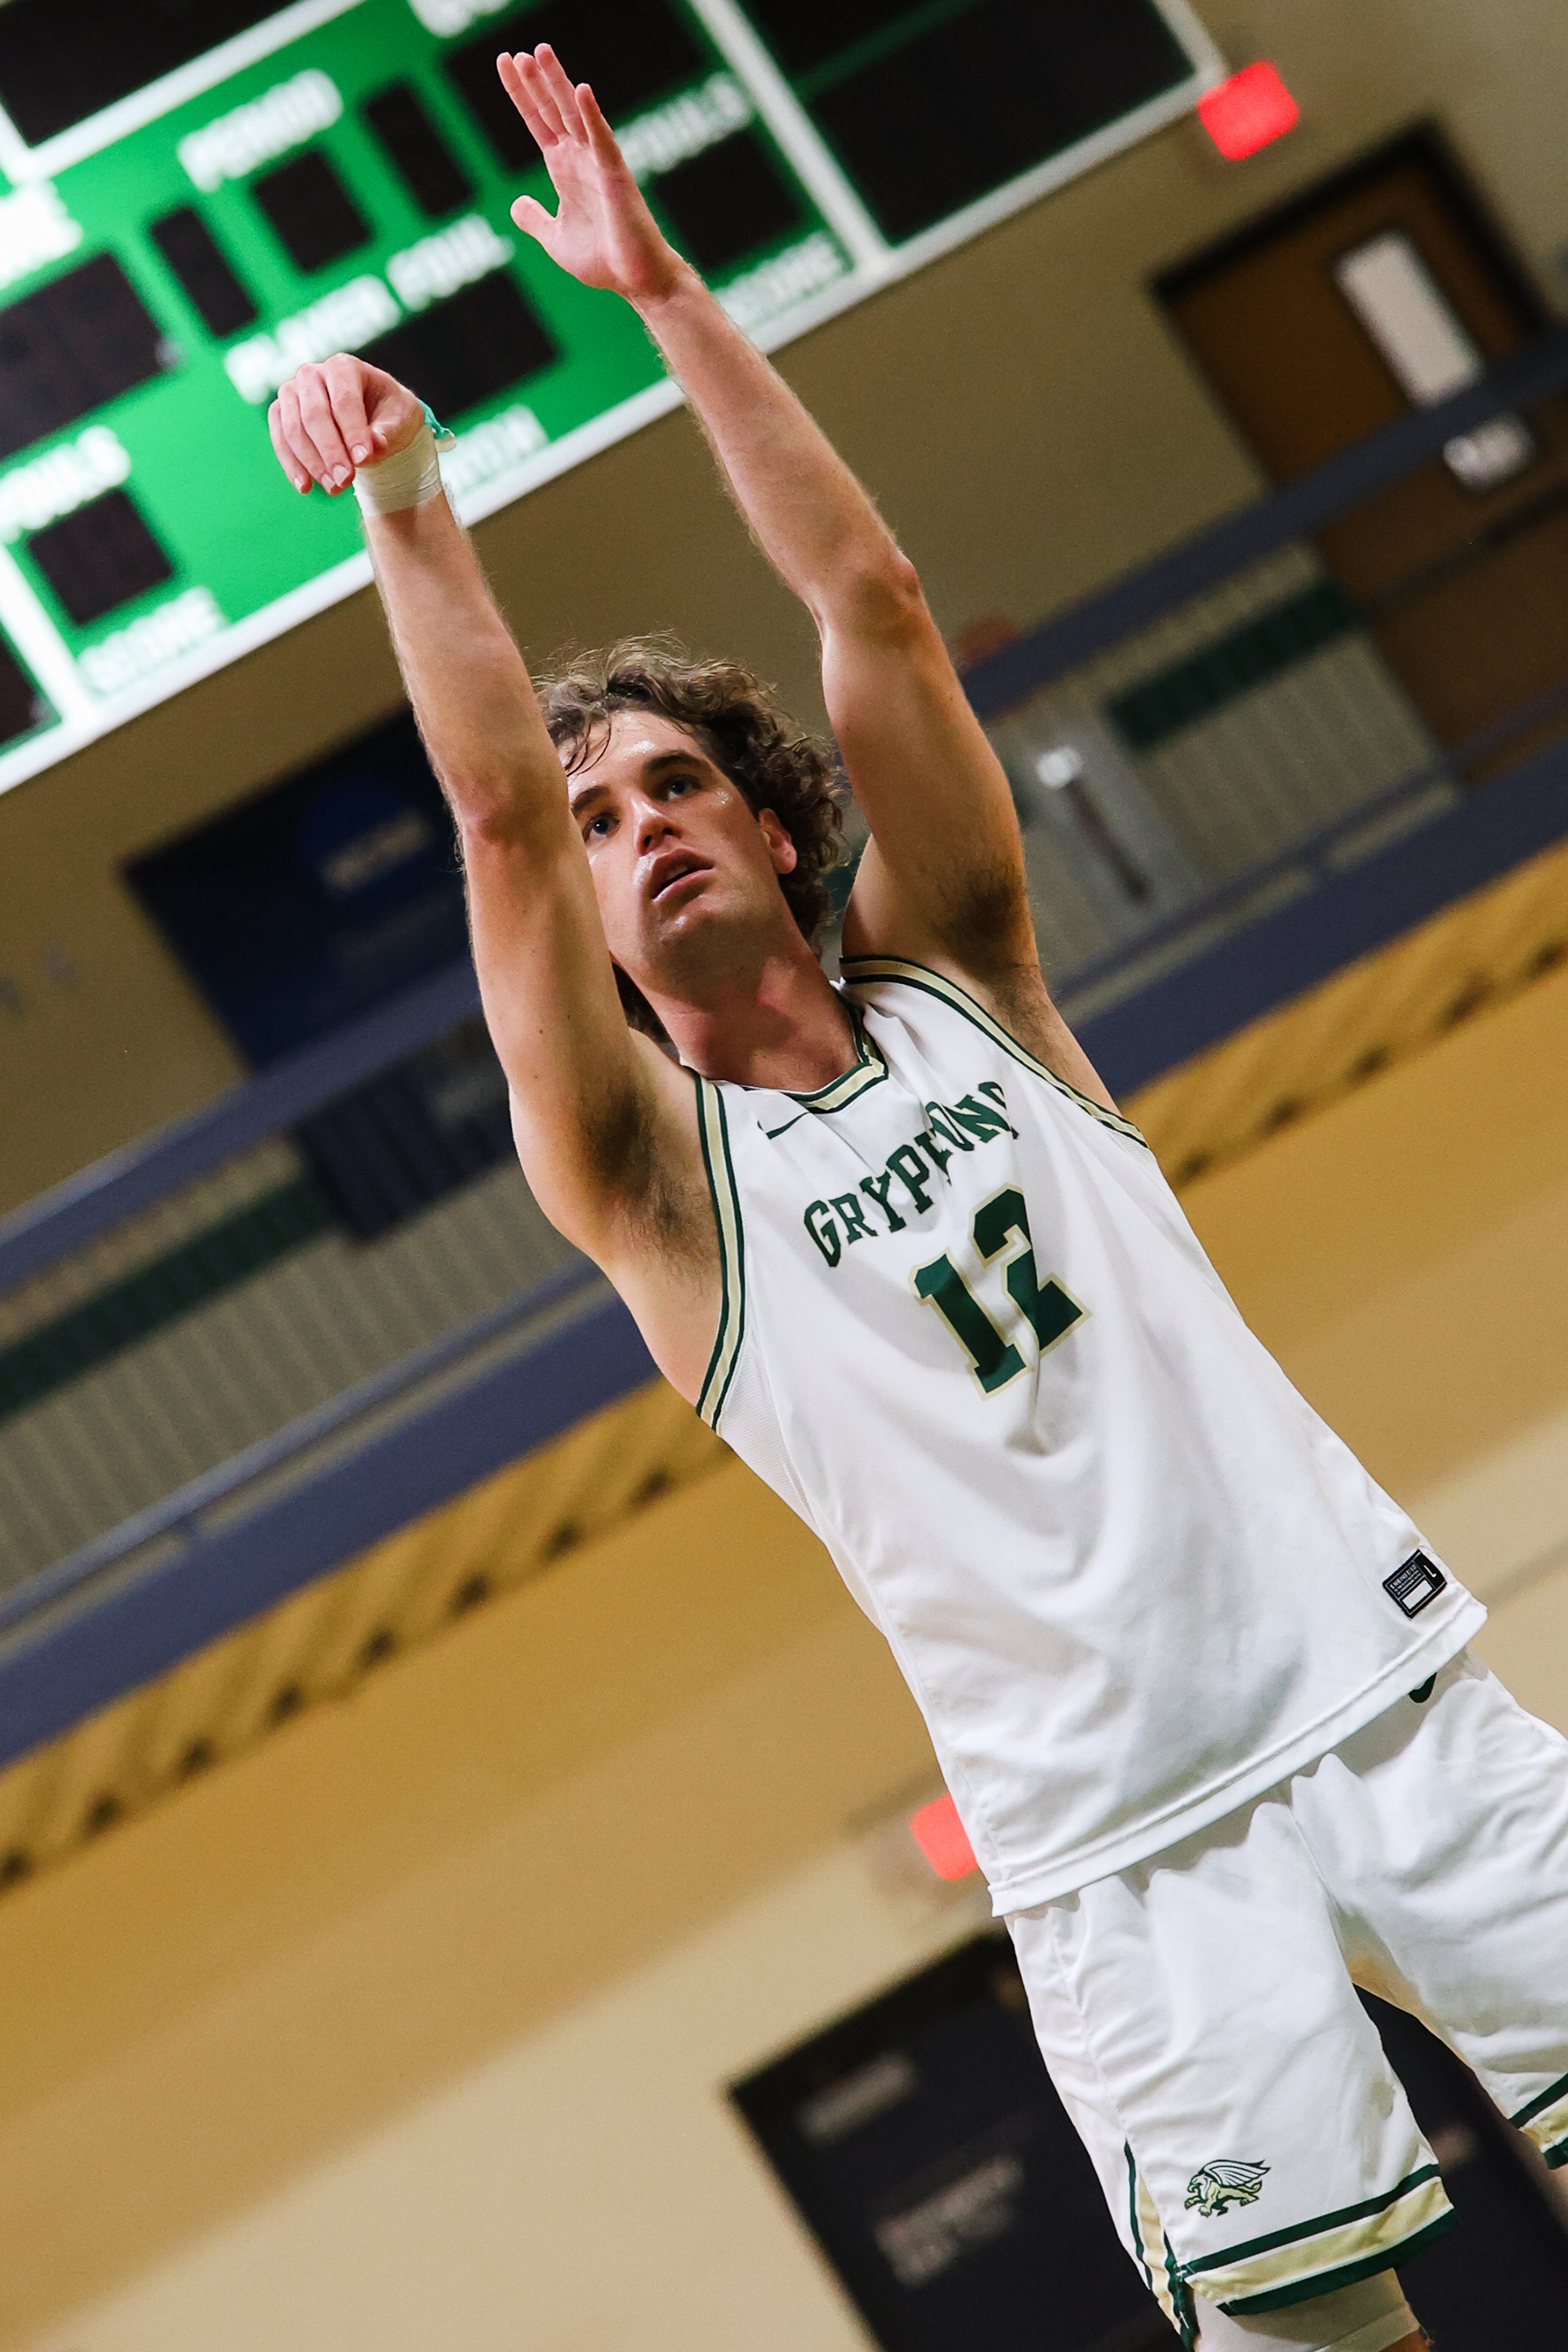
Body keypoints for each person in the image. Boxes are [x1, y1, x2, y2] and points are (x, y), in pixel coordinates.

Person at [268, 46, 1567, 2352]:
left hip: (1382, 1694)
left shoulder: (969, 971)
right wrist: (408, 504)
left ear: (776, 824)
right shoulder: (655, 1191)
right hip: (1112, 1846)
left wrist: (667, 298)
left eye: (676, 783)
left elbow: (866, 591)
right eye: (599, 821)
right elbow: (488, 818)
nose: (635, 827)